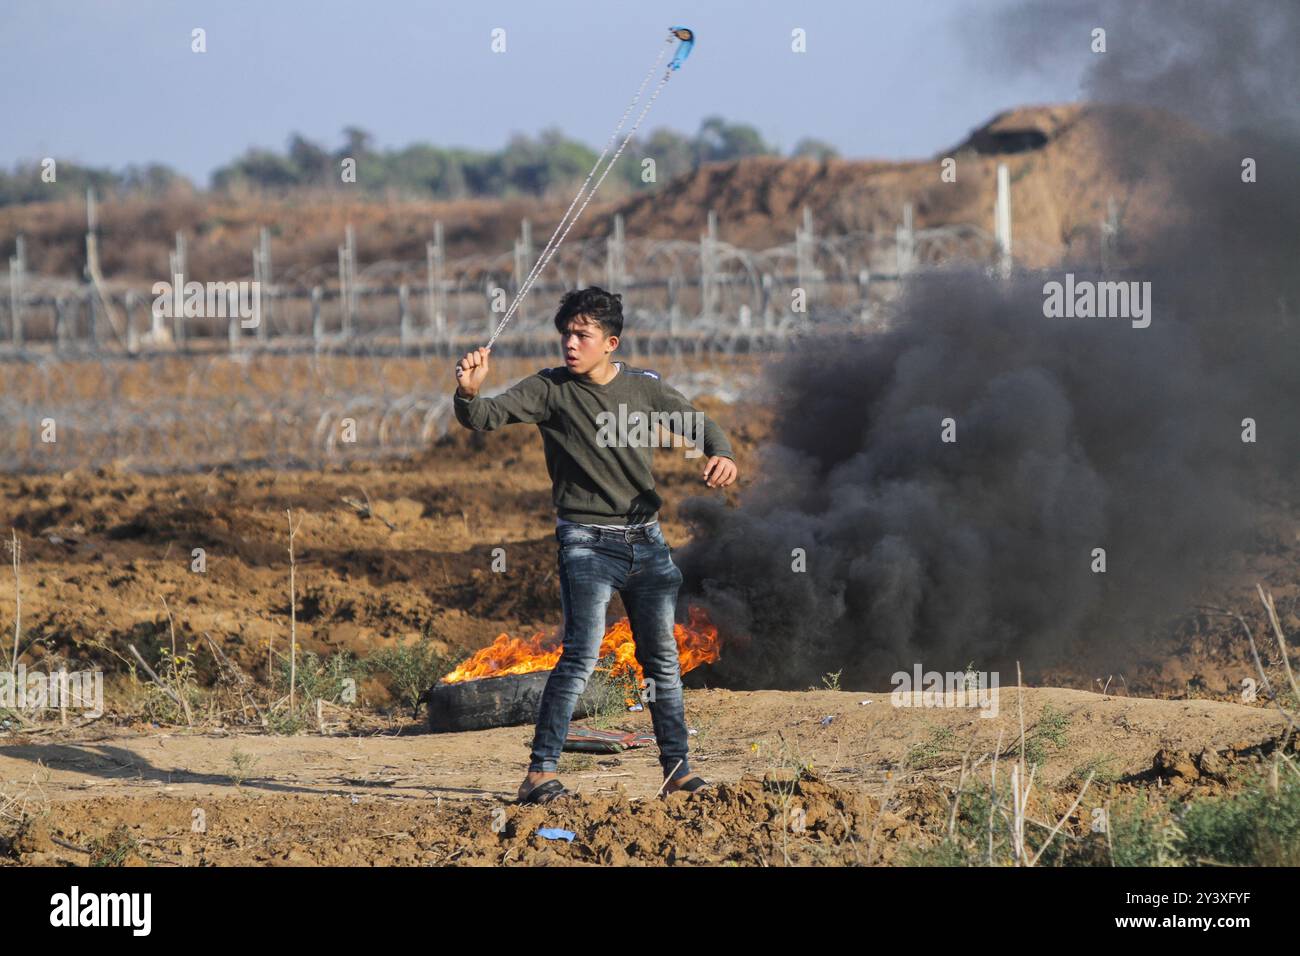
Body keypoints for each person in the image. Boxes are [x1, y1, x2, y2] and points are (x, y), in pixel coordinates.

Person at [453, 286, 738, 804]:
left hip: (647, 542)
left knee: (663, 661)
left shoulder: (643, 389)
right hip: (585, 543)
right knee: (581, 654)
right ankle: (539, 773)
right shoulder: (549, 390)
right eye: (565, 334)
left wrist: (722, 454)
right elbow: (483, 418)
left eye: (582, 335)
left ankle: (677, 771)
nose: (570, 343)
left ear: (611, 342)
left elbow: (698, 424)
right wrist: (469, 392)